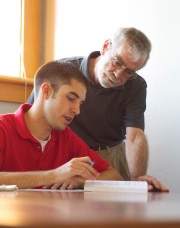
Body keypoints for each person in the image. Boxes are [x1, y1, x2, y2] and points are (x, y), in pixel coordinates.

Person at [28, 27, 169, 192]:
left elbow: (135, 136)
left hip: (108, 157)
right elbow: (33, 117)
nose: (118, 74)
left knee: (115, 216)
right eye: (117, 61)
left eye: (129, 72)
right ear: (105, 47)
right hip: (64, 154)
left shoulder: (136, 85)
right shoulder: (63, 70)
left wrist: (136, 178)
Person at [0, 60, 123, 190]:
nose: (77, 110)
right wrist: (54, 175)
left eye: (80, 103)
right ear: (46, 91)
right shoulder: (3, 128)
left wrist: (79, 181)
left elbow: (114, 176)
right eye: (70, 98)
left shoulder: (66, 137)